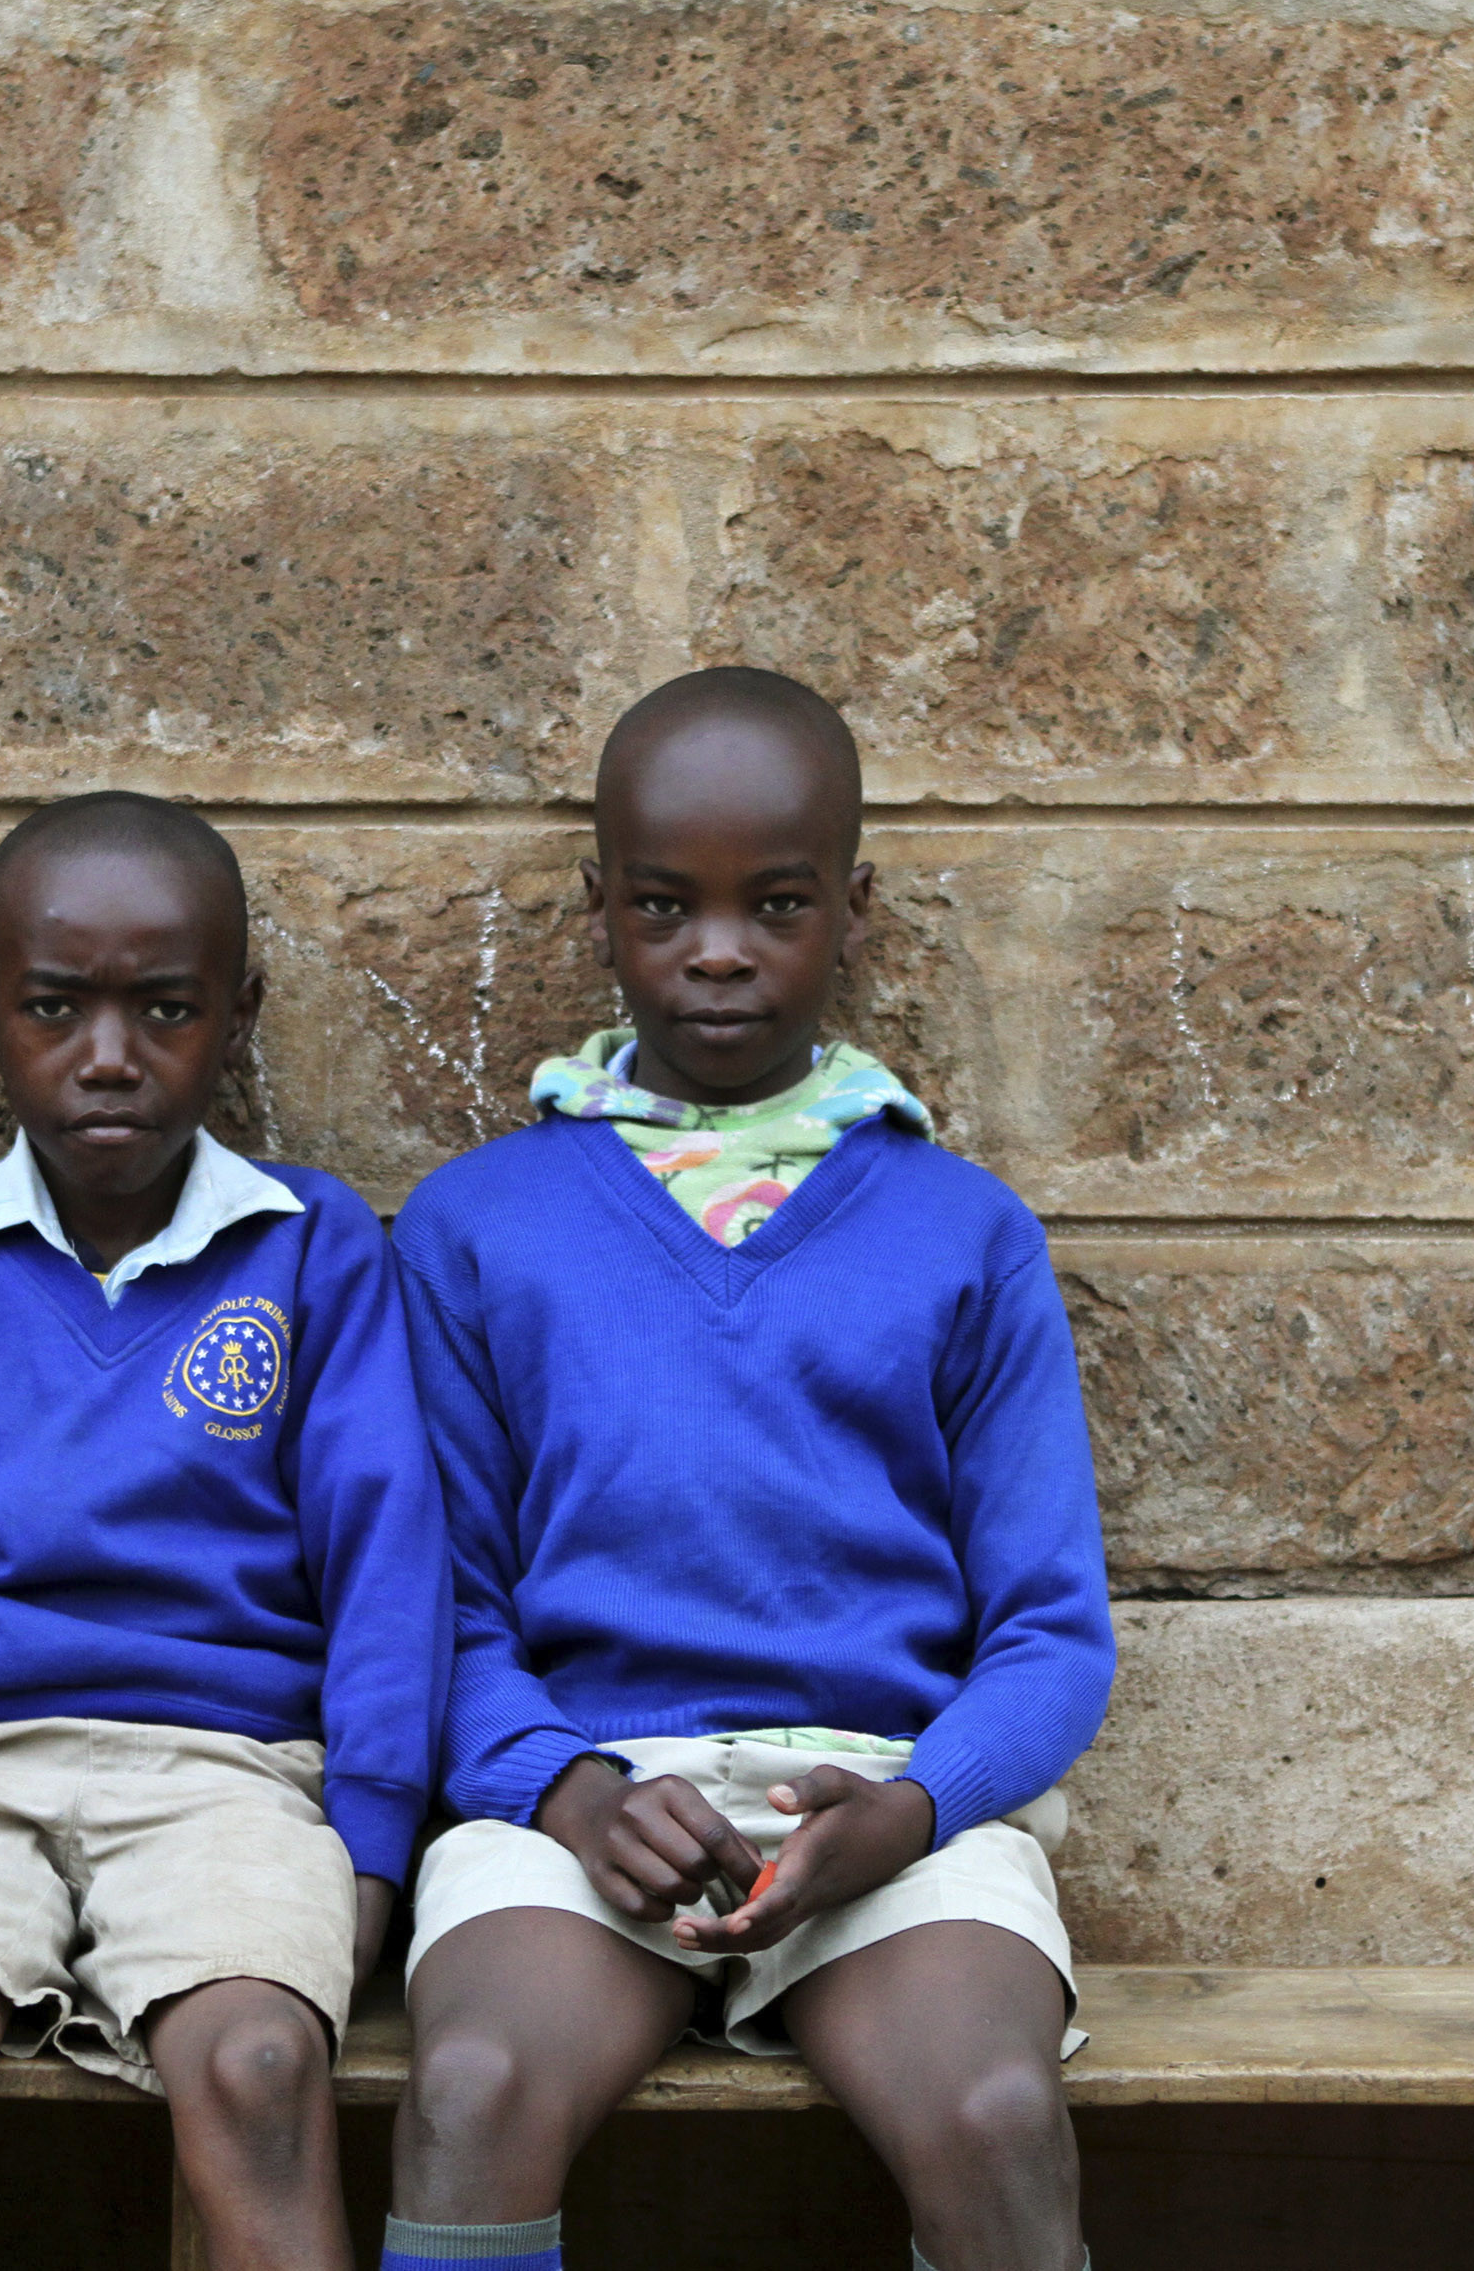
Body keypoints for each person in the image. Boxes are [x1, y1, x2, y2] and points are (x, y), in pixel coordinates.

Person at [382, 670, 1116, 2271]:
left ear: (852, 908)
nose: (718, 949)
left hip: (877, 1799)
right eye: (665, 905)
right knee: (472, 2080)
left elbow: (1053, 1630)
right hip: (580, 1791)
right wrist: (565, 1786)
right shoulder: (476, 1225)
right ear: (601, 911)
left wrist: (914, 1809)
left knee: (996, 2117)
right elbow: (432, 1605)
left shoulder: (962, 1232)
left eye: (775, 904)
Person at [0, 792, 447, 2271]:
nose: (109, 1055)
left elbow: (388, 1556)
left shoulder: (314, 1250)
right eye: (57, 1007)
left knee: (254, 2068)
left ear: (237, 1014)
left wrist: (370, 1843)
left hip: (226, 1774)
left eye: (164, 1008)